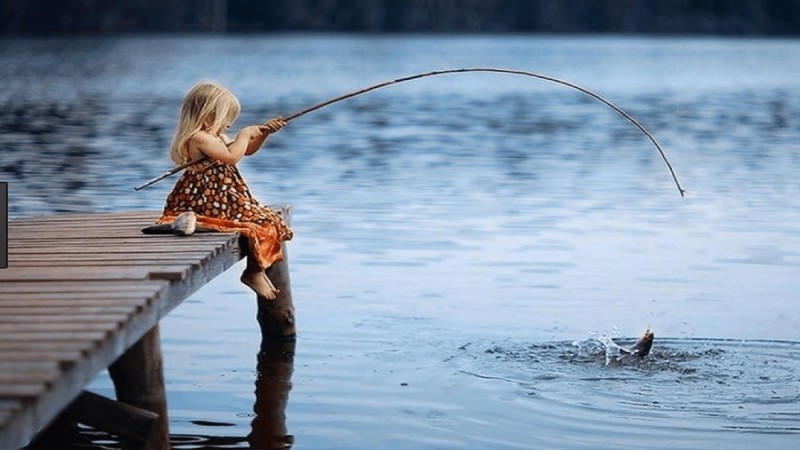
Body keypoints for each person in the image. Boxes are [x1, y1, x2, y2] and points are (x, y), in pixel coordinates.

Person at [155, 81, 293, 299]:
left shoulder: (216, 137)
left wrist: (263, 134)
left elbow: (245, 151)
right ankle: (253, 272)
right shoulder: (200, 138)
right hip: (208, 199)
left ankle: (256, 270)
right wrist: (245, 134)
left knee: (271, 220)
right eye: (227, 117)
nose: (229, 124)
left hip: (225, 197)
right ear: (208, 113)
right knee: (261, 223)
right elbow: (231, 158)